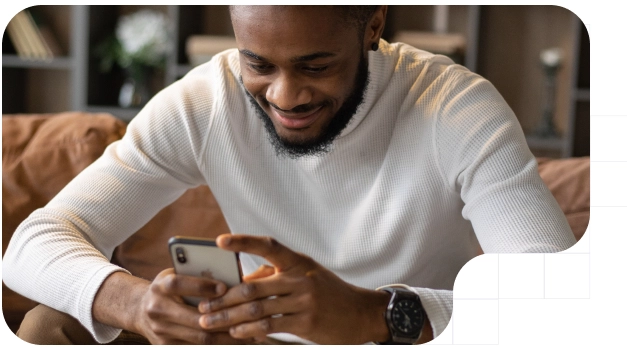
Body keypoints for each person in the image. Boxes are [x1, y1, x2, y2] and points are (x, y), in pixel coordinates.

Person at [2, 5, 577, 345]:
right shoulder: (207, 100)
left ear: (371, 23)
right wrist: (130, 301)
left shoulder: (456, 107)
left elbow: (553, 302)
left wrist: (374, 314)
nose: (285, 95)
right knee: (50, 324)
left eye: (315, 65)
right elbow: (33, 242)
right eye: (258, 63)